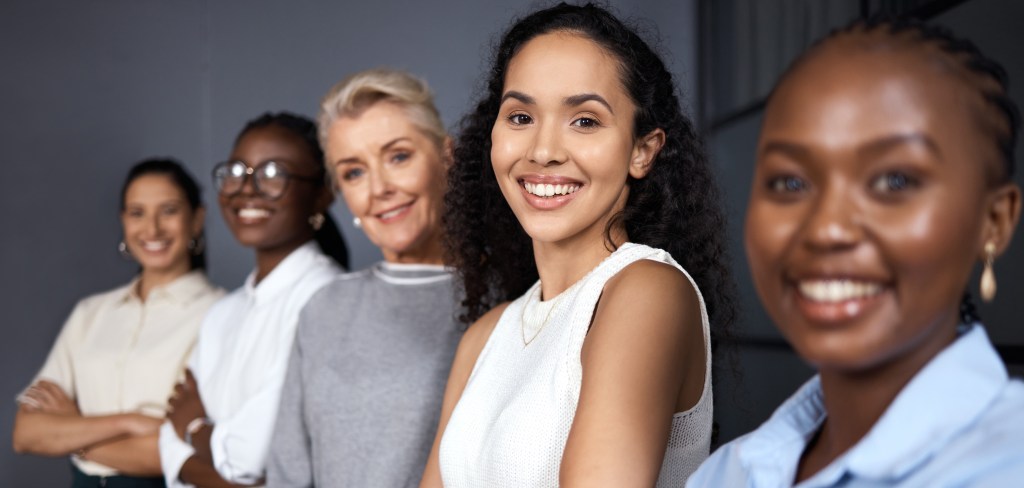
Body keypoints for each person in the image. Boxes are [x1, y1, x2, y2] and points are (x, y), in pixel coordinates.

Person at [687, 16, 1023, 487]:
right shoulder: (725, 473)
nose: (827, 229)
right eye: (790, 182)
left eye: (894, 181)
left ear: (994, 222)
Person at [421, 3, 737, 487]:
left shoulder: (647, 292)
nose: (543, 151)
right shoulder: (483, 336)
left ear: (642, 150)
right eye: (521, 116)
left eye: (585, 121)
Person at [266, 68, 463, 487]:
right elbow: (287, 473)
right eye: (354, 172)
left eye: (398, 156)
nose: (379, 188)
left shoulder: (510, 304)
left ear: (447, 156)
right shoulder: (324, 309)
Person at [157, 112, 347, 488]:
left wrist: (194, 429)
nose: (246, 188)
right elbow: (167, 443)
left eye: (273, 173)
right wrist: (201, 445)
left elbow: (254, 455)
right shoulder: (222, 314)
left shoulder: (330, 301)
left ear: (322, 194)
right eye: (236, 171)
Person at [13, 158, 224, 487]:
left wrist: (73, 431)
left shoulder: (220, 314)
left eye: (168, 210)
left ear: (197, 219)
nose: (152, 229)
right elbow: (26, 433)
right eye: (137, 213)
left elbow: (181, 451)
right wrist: (133, 422)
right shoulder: (90, 313)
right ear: (123, 221)